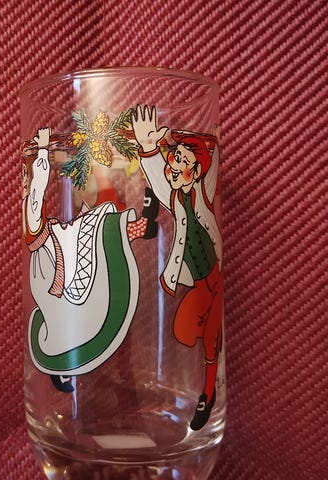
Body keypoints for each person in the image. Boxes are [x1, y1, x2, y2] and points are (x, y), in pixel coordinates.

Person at [22, 127, 159, 392]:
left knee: (95, 228)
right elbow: (36, 194)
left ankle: (140, 225)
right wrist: (41, 154)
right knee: (92, 231)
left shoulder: (54, 220)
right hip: (53, 267)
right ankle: (140, 226)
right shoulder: (34, 216)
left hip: (58, 249)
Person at [132, 105, 223, 431]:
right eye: (174, 158)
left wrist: (210, 147)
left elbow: (209, 164)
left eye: (182, 162)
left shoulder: (204, 192)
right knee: (184, 332)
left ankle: (207, 394)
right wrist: (148, 148)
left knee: (210, 340)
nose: (173, 165)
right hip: (198, 284)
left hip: (215, 280)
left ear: (195, 172)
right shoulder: (174, 198)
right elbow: (159, 182)